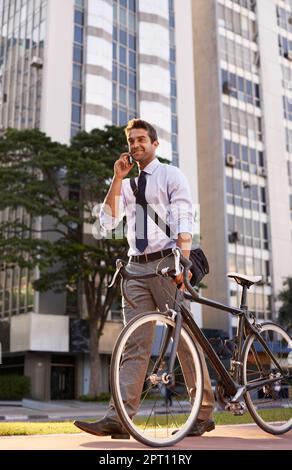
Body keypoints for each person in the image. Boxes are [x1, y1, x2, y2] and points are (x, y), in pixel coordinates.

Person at [74, 118, 215, 438]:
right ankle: (121, 417)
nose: (135, 145)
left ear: (154, 144)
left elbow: (183, 216)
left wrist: (182, 261)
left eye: (141, 140)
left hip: (167, 263)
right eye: (131, 141)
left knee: (183, 340)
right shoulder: (125, 184)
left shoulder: (170, 174)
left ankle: (203, 412)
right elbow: (106, 224)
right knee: (134, 343)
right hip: (135, 268)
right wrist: (116, 178)